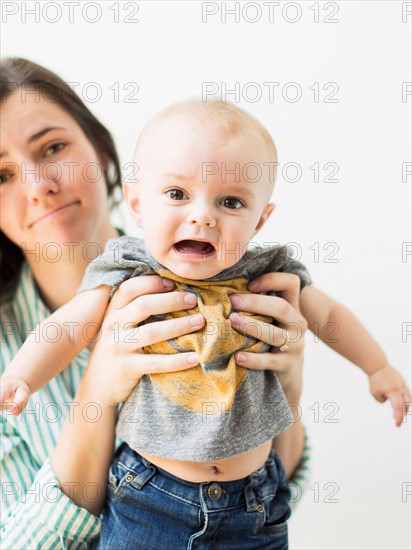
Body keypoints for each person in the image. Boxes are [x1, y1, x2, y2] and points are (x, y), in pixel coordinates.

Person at [2, 97, 411, 549]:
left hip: (254, 501)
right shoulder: (129, 270)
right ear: (138, 203)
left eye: (231, 202)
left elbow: (329, 315)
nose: (202, 215)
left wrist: (377, 367)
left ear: (260, 220)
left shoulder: (267, 275)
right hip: (148, 499)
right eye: (177, 195)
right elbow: (68, 325)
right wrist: (21, 374)